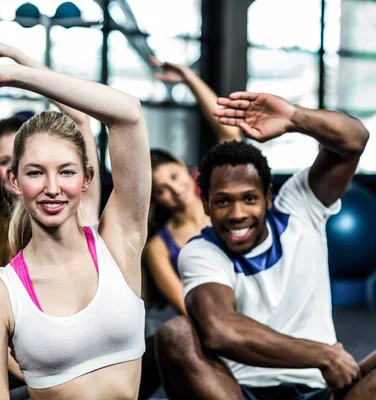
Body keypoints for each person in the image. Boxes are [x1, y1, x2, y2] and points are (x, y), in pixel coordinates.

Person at [0, 59, 150, 399]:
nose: (52, 187)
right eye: (35, 173)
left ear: (87, 178)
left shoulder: (120, 244)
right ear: (14, 181)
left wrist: (13, 76)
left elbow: (128, 113)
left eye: (66, 172)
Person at [155, 91, 376, 400]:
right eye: (222, 202)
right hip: (238, 392)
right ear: (205, 203)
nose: (237, 214)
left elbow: (355, 139)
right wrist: (323, 355)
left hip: (321, 392)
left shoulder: (301, 208)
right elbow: (220, 330)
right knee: (174, 333)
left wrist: (295, 118)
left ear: (268, 197)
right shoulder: (201, 251)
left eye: (249, 198)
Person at [0, 33, 100, 281]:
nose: (50, 185)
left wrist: (13, 59)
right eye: (9, 162)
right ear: (4, 174)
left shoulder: (76, 213)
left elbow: (80, 114)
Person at [143, 57, 241, 314]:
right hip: (211, 326)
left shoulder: (221, 198)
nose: (175, 190)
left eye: (174, 176)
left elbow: (230, 134)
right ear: (155, 199)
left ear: (181, 165)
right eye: (162, 189)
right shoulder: (158, 246)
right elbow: (186, 308)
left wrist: (189, 79)